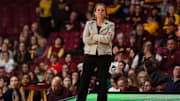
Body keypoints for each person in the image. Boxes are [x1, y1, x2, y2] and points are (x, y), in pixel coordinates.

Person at [76, 3, 115, 101]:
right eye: (98, 10)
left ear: (106, 13)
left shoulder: (110, 25)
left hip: (104, 55)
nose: (100, 12)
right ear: (94, 12)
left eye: (103, 10)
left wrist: (94, 36)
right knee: (84, 79)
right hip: (90, 54)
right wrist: (100, 38)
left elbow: (108, 39)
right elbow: (85, 39)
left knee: (102, 80)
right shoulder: (89, 24)